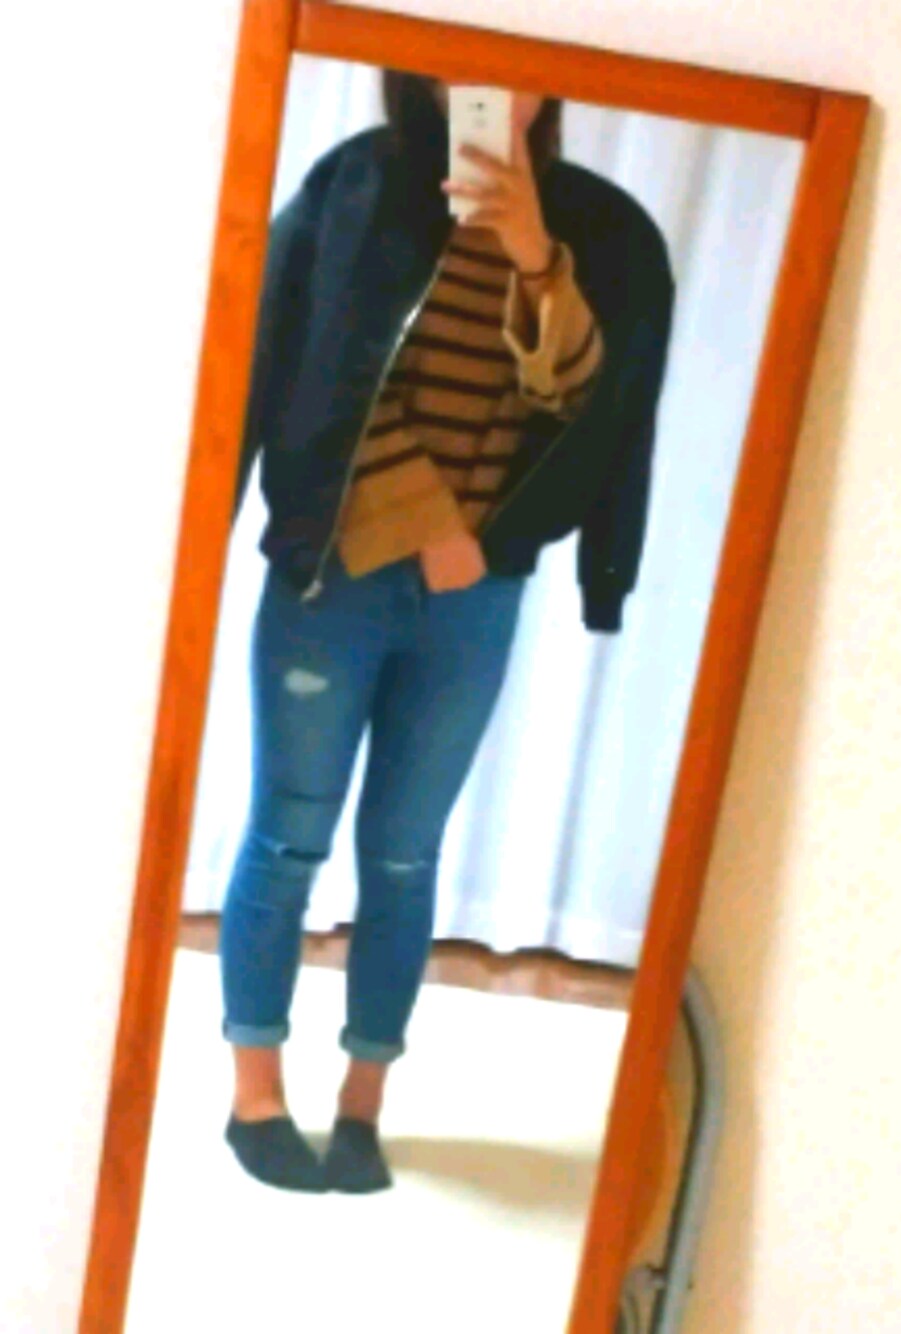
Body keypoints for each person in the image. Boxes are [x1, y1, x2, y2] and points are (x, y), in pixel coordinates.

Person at [220, 70, 675, 1194]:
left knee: (406, 853)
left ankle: (363, 1104)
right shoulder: (359, 186)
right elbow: (305, 374)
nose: (495, 91)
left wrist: (535, 255)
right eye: (468, 67)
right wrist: (425, 525)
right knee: (287, 838)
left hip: (477, 598)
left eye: (521, 72)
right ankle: (255, 1096)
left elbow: (594, 412)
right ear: (422, 72)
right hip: (334, 578)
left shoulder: (602, 231)